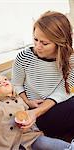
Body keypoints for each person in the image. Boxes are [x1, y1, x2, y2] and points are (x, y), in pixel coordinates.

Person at [12, 10, 74, 140]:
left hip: (56, 107)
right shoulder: (24, 57)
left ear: (60, 43)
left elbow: (64, 91)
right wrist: (28, 102)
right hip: (37, 116)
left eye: (44, 43)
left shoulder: (70, 59)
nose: (38, 46)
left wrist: (38, 111)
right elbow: (16, 84)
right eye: (35, 39)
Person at [0, 74, 72, 150]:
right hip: (6, 143)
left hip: (30, 137)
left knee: (51, 144)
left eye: (5, 79)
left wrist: (31, 107)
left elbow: (29, 114)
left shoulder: (19, 99)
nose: (3, 82)